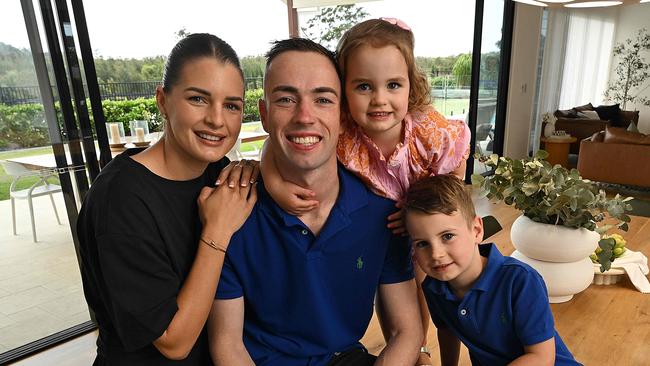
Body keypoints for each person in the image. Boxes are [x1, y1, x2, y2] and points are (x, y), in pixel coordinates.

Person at [262, 18, 471, 365]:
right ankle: (412, 351)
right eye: (363, 87)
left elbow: (456, 165)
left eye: (393, 85)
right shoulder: (342, 131)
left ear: (410, 87)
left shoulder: (429, 130)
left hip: (426, 218)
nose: (380, 100)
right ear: (344, 90)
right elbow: (273, 143)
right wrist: (275, 184)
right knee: (393, 289)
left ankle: (446, 355)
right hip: (384, 224)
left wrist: (432, 219)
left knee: (443, 290)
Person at [208, 38, 422, 366]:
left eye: (322, 99)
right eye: (285, 99)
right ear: (265, 115)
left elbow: (406, 332)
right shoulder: (231, 213)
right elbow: (228, 347)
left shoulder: (383, 212)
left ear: (342, 114)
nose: (305, 116)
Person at [77, 33, 257, 365]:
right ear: (163, 100)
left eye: (231, 105)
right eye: (198, 99)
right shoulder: (120, 199)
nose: (217, 120)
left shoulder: (216, 170)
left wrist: (266, 171)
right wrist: (216, 232)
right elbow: (174, 342)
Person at [403, 174, 580, 365]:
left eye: (447, 236)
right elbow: (447, 331)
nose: (436, 254)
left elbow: (541, 357)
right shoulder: (434, 288)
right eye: (422, 243)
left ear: (477, 231)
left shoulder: (521, 280)